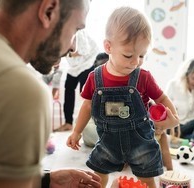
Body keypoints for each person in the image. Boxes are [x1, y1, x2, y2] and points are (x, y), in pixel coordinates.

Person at [0, 0, 102, 187]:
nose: (73, 47)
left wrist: (44, 180)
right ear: (49, 11)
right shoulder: (18, 89)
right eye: (75, 29)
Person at [67, 7, 179, 188]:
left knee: (147, 179)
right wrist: (76, 131)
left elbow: (163, 99)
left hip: (140, 141)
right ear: (108, 47)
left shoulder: (143, 77)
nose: (135, 62)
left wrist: (172, 118)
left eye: (142, 55)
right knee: (98, 175)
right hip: (107, 141)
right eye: (128, 55)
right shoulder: (94, 78)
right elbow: (87, 106)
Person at [56, 29, 100, 131]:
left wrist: (64, 54)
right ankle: (68, 123)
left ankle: (93, 122)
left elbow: (83, 51)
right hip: (74, 67)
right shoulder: (61, 36)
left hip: (88, 62)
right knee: (68, 90)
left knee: (85, 93)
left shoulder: (79, 32)